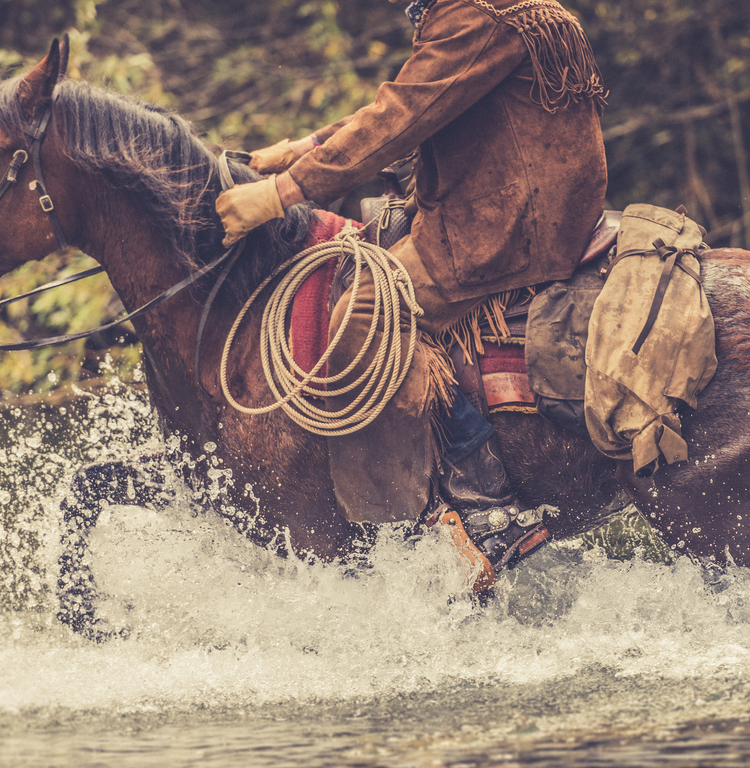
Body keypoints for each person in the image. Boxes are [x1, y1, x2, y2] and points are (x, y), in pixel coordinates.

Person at [216, 0, 608, 574]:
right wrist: (308, 145)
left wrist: (279, 193)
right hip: (528, 208)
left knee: (366, 313)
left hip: (504, 226)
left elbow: (404, 117)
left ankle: (488, 510)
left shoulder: (476, 16)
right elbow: (418, 99)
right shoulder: (503, 8)